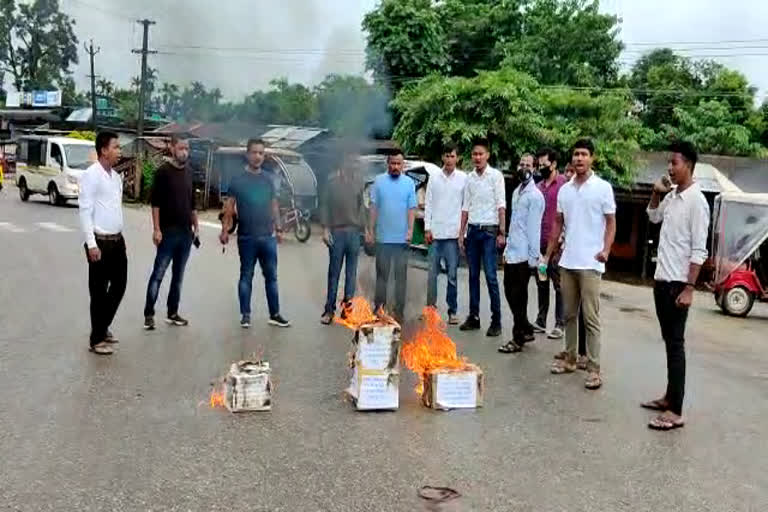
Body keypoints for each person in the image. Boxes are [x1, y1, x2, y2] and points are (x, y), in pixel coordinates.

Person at [643, 141, 709, 431]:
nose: (670, 167)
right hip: (662, 281)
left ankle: (677, 410)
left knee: (676, 345)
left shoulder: (697, 201)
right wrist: (657, 194)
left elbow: (699, 250)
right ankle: (669, 397)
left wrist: (690, 288)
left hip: (679, 285)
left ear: (689, 166)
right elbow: (653, 217)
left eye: (675, 163)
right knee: (670, 343)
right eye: (669, 162)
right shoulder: (672, 196)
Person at [544, 138, 616, 390]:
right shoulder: (565, 190)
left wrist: (606, 250)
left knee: (591, 317)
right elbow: (557, 224)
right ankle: (571, 359)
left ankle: (594, 369)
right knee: (568, 314)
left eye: (584, 154)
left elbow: (611, 222)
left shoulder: (603, 188)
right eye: (576, 154)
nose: (579, 158)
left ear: (592, 158)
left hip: (591, 262)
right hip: (568, 261)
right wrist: (548, 255)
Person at [220, 138, 290, 329]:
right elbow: (229, 208)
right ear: (247, 154)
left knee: (272, 277)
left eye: (261, 153)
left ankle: (274, 314)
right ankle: (245, 315)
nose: (257, 156)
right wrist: (225, 230)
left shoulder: (269, 179)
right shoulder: (237, 180)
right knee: (246, 276)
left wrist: (279, 227)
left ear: (264, 155)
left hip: (267, 236)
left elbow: (274, 205)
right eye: (254, 152)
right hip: (247, 237)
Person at [143, 135, 199, 330]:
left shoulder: (190, 173)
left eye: (187, 149)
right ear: (173, 148)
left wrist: (196, 227)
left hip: (185, 233)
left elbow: (192, 204)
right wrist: (156, 229)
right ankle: (149, 314)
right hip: (167, 232)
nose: (184, 152)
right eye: (181, 148)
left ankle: (172, 312)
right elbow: (155, 204)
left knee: (178, 276)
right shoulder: (163, 172)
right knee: (158, 273)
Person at [78, 131, 125, 355]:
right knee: (98, 292)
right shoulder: (91, 175)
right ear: (104, 150)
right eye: (116, 147)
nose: (119, 151)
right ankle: (96, 339)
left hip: (117, 241)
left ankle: (102, 326)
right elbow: (85, 211)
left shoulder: (116, 178)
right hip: (99, 242)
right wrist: (91, 244)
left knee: (119, 286)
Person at [459, 138, 506, 337]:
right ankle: (474, 317)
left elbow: (501, 204)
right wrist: (461, 233)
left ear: (487, 155)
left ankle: (497, 321)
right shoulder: (469, 178)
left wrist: (502, 232)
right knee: (472, 276)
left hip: (489, 232)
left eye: (481, 154)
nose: (477, 157)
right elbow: (465, 206)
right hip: (473, 231)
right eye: (474, 154)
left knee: (491, 276)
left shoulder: (495, 176)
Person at [498, 156, 545, 353]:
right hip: (512, 252)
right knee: (509, 290)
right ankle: (526, 327)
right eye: (521, 164)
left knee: (519, 295)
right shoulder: (517, 192)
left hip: (525, 255)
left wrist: (534, 258)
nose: (524, 168)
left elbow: (534, 230)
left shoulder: (535, 196)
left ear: (534, 169)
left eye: (528, 165)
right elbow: (514, 224)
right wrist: (507, 249)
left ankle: (518, 338)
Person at [366, 148, 417, 322]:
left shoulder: (409, 183)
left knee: (400, 278)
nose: (395, 166)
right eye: (393, 163)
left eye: (398, 164)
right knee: (382, 277)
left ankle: (399, 312)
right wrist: (370, 230)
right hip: (383, 239)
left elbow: (411, 209)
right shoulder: (378, 182)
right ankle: (379, 308)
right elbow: (373, 208)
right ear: (387, 164)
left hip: (401, 240)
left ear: (403, 165)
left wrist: (410, 230)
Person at [425, 143, 467, 325]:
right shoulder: (434, 177)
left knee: (452, 275)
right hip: (435, 233)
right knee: (432, 274)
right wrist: (427, 228)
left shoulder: (464, 179)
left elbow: (466, 206)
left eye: (453, 156)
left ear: (457, 158)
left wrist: (462, 234)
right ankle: (430, 309)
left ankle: (452, 310)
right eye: (447, 156)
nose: (450, 159)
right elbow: (428, 203)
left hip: (453, 234)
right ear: (442, 157)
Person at [320, 153, 365, 324]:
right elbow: (324, 206)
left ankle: (347, 310)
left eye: (355, 162)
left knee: (351, 274)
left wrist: (366, 229)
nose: (354, 164)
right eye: (351, 161)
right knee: (334, 273)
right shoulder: (332, 183)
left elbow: (362, 208)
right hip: (337, 233)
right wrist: (325, 229)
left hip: (354, 233)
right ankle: (329, 310)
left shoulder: (358, 183)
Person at [534, 147, 567, 339]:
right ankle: (540, 320)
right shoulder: (538, 187)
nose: (541, 168)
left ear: (554, 164)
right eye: (539, 165)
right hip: (541, 243)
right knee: (541, 281)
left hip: (558, 245)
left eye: (544, 164)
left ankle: (559, 324)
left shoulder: (564, 184)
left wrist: (562, 240)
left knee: (559, 285)